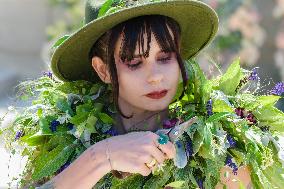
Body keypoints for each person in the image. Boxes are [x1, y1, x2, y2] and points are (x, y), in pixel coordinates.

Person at [3, 0, 284, 189]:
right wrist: (101, 157)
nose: (155, 76)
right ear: (104, 70)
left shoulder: (222, 142)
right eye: (134, 62)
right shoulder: (64, 136)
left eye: (165, 57)